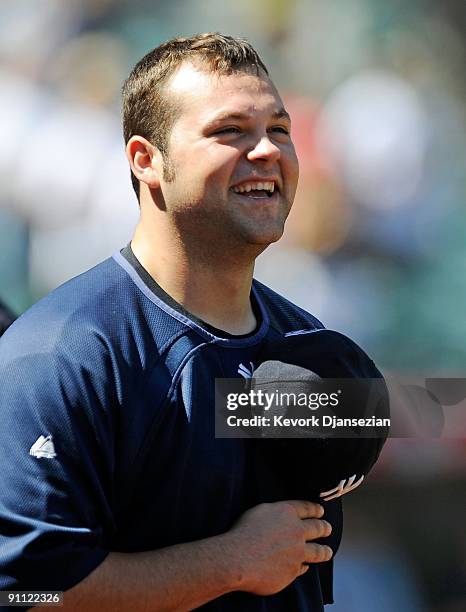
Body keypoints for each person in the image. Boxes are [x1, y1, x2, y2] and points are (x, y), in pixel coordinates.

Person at [0, 34, 378, 611]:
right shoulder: (61, 355)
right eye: (230, 131)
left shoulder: (308, 344)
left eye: (279, 130)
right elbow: (27, 593)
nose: (267, 151)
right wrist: (228, 563)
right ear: (145, 160)